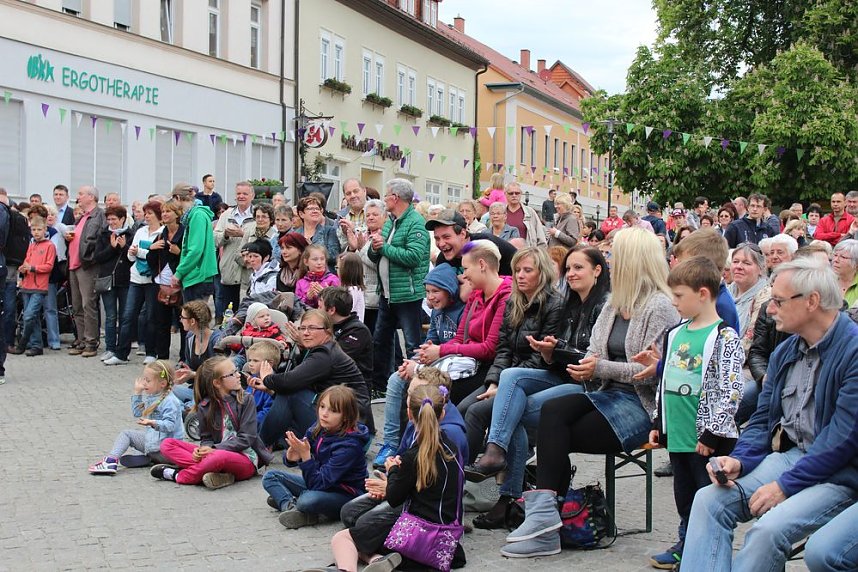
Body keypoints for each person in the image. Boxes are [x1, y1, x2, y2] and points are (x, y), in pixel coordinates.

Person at [502, 228, 680, 558]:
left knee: (558, 430)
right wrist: (559, 354)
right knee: (554, 412)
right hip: (606, 396)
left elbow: (652, 373)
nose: (610, 260)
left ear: (633, 262)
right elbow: (594, 354)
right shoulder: (614, 304)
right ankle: (546, 518)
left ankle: (547, 519)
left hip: (640, 407)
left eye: (615, 256)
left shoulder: (660, 307)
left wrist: (599, 368)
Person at [681, 258, 858, 571]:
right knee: (709, 501)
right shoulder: (787, 351)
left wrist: (784, 486)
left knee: (768, 531)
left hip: (841, 474)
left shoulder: (852, 351)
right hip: (793, 456)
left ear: (812, 302)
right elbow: (763, 420)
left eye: (777, 300)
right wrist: (741, 459)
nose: (770, 309)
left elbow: (841, 440)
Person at [466, 245, 611, 528]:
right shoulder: (565, 302)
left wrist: (550, 353)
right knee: (499, 401)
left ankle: (495, 462)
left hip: (578, 382)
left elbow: (589, 357)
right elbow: (505, 348)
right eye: (569, 268)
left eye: (578, 268)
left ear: (597, 271)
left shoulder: (577, 304)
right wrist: (548, 352)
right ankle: (507, 497)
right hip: (551, 373)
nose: (571, 274)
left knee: (501, 395)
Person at [639, 256, 745, 569]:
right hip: (679, 433)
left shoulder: (724, 336)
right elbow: (666, 379)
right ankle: (686, 544)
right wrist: (660, 421)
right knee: (684, 496)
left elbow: (731, 390)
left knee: (708, 498)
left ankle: (708, 554)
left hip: (706, 438)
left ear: (702, 294)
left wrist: (714, 431)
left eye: (679, 296)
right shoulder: (674, 333)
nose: (674, 303)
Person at [327, 385, 464, 572]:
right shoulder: (452, 448)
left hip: (414, 538)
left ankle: (346, 570)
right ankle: (376, 560)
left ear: (409, 414)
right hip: (445, 542)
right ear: (442, 414)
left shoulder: (412, 457)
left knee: (342, 538)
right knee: (364, 537)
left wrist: (392, 471)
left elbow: (394, 498)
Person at [458, 248, 564, 467]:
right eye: (517, 270)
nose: (520, 276)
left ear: (542, 273)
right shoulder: (513, 302)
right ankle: (459, 473)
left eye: (527, 270)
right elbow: (503, 348)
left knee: (476, 412)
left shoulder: (555, 305)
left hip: (537, 376)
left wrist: (505, 383)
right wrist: (494, 382)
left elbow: (541, 357)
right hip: (508, 375)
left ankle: (466, 474)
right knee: (462, 408)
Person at [374, 264, 465, 467]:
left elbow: (461, 344)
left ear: (450, 290)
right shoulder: (436, 313)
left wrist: (433, 353)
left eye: (436, 291)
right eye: (428, 292)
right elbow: (429, 341)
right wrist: (414, 361)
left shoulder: (462, 311)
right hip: (433, 361)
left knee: (410, 380)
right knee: (396, 378)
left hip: (452, 365)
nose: (430, 297)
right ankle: (390, 442)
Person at [414, 240, 512, 405]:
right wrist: (430, 352)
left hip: (490, 367)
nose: (463, 276)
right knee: (410, 386)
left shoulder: (505, 297)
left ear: (482, 264)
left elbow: (489, 349)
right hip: (469, 362)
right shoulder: (476, 294)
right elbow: (460, 337)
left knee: (432, 393)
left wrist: (441, 350)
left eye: (466, 269)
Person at [152, 355, 273, 488]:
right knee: (167, 444)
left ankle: (178, 475)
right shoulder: (205, 405)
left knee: (218, 457)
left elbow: (247, 438)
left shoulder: (245, 400)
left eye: (237, 371)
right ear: (217, 383)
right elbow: (206, 438)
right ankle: (218, 475)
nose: (238, 375)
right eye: (232, 374)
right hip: (214, 454)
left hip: (245, 458)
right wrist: (203, 449)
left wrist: (213, 449)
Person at [256, 310, 369, 446]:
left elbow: (289, 382)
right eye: (302, 328)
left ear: (328, 331)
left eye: (312, 328)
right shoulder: (324, 348)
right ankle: (271, 444)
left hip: (354, 428)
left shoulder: (324, 355)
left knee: (291, 395)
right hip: (340, 417)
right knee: (290, 396)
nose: (305, 333)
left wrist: (268, 379)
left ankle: (259, 449)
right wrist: (272, 390)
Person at [262, 385, 370, 529]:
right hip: (319, 482)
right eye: (322, 407)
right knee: (270, 477)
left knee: (307, 500)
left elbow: (318, 484)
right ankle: (289, 505)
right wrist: (292, 456)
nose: (324, 414)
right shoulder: (319, 428)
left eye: (333, 410)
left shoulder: (349, 446)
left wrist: (305, 457)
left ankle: (299, 506)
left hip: (344, 493)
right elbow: (301, 462)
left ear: (346, 416)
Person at [368, 179, 431, 394]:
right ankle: (380, 387)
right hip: (388, 293)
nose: (385, 199)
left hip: (408, 294)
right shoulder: (391, 221)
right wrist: (375, 248)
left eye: (386, 196)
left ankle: (417, 387)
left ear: (395, 198)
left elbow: (413, 257)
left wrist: (383, 248)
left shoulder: (416, 222)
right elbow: (376, 253)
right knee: (381, 341)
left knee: (413, 343)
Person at [88, 360, 184, 474]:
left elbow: (170, 426)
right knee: (126, 434)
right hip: (153, 444)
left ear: (162, 384)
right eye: (144, 379)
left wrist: (152, 423)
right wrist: (137, 393)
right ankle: (112, 460)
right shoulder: (153, 396)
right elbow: (137, 413)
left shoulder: (170, 401)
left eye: (148, 381)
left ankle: (153, 458)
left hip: (166, 451)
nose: (144, 383)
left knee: (145, 442)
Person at [105, 201, 161, 366]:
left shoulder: (162, 232)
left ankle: (151, 352)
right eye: (145, 213)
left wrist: (142, 252)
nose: (147, 216)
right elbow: (131, 256)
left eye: (150, 213)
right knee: (128, 316)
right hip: (136, 278)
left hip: (152, 280)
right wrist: (135, 251)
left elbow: (157, 256)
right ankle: (121, 353)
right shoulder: (141, 231)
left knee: (151, 316)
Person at [67, 185, 106, 358]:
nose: (78, 197)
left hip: (87, 266)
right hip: (74, 265)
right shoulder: (82, 217)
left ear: (91, 197)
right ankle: (81, 339)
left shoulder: (99, 216)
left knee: (88, 304)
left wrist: (91, 258)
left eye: (81, 194)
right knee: (76, 306)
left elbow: (99, 239)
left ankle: (91, 341)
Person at [9, 217, 55, 356]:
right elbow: (26, 261)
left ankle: (23, 344)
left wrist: (32, 268)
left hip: (39, 286)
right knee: (32, 316)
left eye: (39, 229)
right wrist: (24, 269)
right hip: (27, 284)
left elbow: (49, 266)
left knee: (29, 315)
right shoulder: (32, 245)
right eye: (34, 230)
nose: (36, 232)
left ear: (45, 229)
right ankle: (36, 345)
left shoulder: (49, 246)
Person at [93, 206, 133, 362]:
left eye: (114, 219)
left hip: (125, 279)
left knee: (125, 316)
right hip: (107, 279)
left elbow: (132, 257)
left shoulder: (130, 234)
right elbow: (98, 257)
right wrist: (111, 247)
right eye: (108, 219)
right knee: (110, 316)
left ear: (122, 219)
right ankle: (110, 348)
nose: (111, 222)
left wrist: (124, 247)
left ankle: (122, 349)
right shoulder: (103, 235)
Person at [428, 208, 518, 278]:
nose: (441, 244)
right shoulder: (443, 259)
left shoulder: (485, 247)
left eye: (446, 237)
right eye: (437, 238)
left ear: (463, 234)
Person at [148, 200, 184, 362]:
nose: (164, 214)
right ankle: (162, 359)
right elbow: (151, 261)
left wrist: (178, 252)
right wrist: (152, 249)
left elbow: (190, 257)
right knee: (161, 324)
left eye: (168, 211)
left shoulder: (185, 233)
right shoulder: (161, 234)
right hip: (161, 284)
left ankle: (184, 358)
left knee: (184, 324)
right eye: (163, 211)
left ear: (177, 214)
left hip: (180, 284)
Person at [170, 184, 217, 303]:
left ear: (178, 198)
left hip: (198, 276)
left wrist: (179, 273)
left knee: (194, 319)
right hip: (196, 276)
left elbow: (195, 249)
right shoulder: (194, 215)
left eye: (173, 199)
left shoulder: (197, 216)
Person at [214, 181, 256, 317]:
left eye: (245, 193)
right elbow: (214, 240)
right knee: (229, 313)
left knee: (246, 313)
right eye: (238, 193)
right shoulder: (227, 215)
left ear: (252, 196)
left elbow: (264, 241)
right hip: (229, 270)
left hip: (249, 270)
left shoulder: (258, 215)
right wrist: (225, 235)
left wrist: (244, 235)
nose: (241, 196)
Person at [173, 300, 223, 410]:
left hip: (213, 394)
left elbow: (220, 375)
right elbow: (191, 371)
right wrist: (185, 373)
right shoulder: (190, 337)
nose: (180, 320)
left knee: (182, 408)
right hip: (196, 390)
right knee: (166, 392)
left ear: (192, 321)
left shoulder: (216, 341)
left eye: (182, 317)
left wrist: (193, 374)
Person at [346, 198, 384, 333]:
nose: (371, 218)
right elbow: (348, 263)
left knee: (379, 336)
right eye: (368, 215)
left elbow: (379, 266)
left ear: (384, 217)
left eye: (375, 214)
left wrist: (360, 249)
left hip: (375, 297)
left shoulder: (384, 236)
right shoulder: (361, 233)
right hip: (359, 294)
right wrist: (351, 248)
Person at [727, 243, 770, 353]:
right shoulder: (724, 292)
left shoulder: (765, 296)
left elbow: (750, 341)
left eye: (747, 263)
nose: (739, 267)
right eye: (735, 262)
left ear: (760, 269)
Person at [296, 194, 340, 272]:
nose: (315, 211)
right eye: (310, 208)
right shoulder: (295, 234)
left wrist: (311, 249)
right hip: (300, 275)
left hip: (325, 276)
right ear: (301, 214)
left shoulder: (329, 231)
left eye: (317, 208)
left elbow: (334, 256)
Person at [504, 182, 546, 248]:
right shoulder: (501, 212)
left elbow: (540, 236)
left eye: (517, 193)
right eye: (511, 193)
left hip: (526, 252)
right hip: (505, 253)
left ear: (521, 194)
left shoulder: (530, 212)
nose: (514, 195)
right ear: (505, 194)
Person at [336, 178, 368, 251]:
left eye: (356, 191)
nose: (352, 196)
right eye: (348, 193)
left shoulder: (376, 210)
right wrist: (345, 234)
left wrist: (354, 230)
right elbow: (339, 248)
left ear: (364, 191)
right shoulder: (341, 216)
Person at [337, 253, 365, 322]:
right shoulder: (348, 288)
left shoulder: (353, 290)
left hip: (352, 328)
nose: (336, 271)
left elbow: (345, 309)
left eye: (338, 268)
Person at [831, 239, 858, 306]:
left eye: (843, 257)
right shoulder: (824, 280)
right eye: (835, 255)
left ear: (856, 264)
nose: (836, 260)